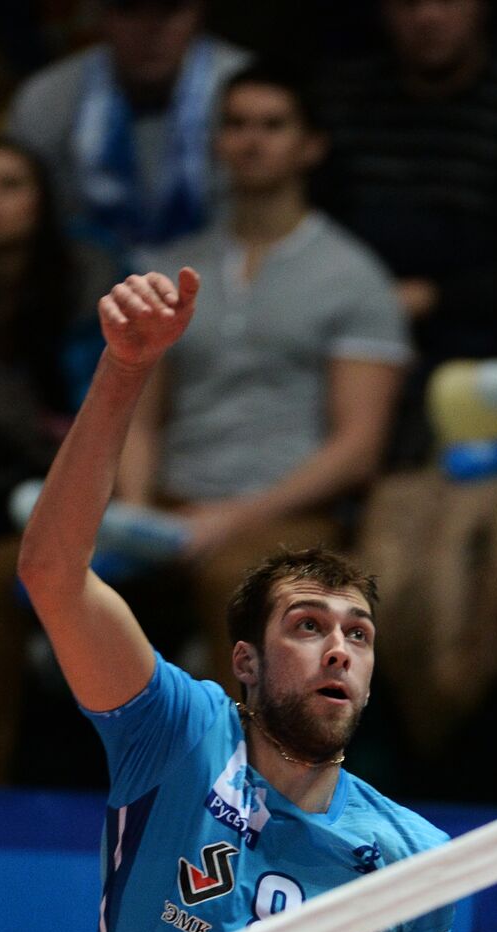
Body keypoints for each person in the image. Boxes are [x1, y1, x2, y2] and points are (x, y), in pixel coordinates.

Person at [16, 264, 453, 932]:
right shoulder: (177, 732)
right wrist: (128, 366)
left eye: (359, 633)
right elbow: (53, 575)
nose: (340, 649)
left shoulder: (412, 854)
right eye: (308, 626)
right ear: (245, 661)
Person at [117, 63, 409, 693]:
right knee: (26, 566)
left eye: (273, 125)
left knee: (240, 582)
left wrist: (233, 517)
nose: (252, 140)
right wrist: (136, 506)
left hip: (290, 515)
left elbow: (358, 448)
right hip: (167, 500)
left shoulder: (353, 276)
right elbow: (138, 415)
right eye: (236, 124)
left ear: (311, 145)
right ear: (215, 141)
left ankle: (247, 785)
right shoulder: (167, 266)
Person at [314, 0, 497, 464]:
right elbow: (317, 237)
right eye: (408, 3)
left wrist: (430, 298)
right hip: (344, 347)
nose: (428, 16)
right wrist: (373, 310)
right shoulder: (338, 103)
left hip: (483, 360)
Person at [0, 136, 124, 783]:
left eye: (12, 185)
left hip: (69, 485)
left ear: (43, 199)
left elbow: (100, 410)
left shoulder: (83, 282)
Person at [5, 0, 248, 251]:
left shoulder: (254, 94)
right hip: (83, 278)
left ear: (199, 12)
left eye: (170, 11)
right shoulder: (46, 99)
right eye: (129, 10)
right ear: (99, 15)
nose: (150, 31)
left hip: (235, 273)